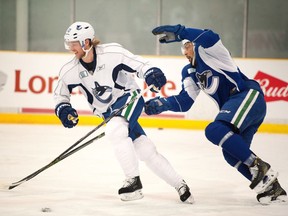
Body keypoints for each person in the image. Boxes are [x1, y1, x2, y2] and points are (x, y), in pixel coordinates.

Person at [144, 24, 287, 205]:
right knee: (231, 154)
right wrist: (161, 104)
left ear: (194, 44)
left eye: (186, 46)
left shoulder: (210, 52)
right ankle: (272, 187)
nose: (185, 52)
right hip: (239, 108)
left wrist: (181, 32)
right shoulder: (189, 71)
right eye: (182, 48)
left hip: (247, 96)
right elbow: (186, 100)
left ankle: (257, 165)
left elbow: (209, 36)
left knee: (214, 130)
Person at [53, 21, 194, 203]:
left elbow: (140, 64)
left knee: (115, 130)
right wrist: (64, 110)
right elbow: (60, 95)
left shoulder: (112, 53)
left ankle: (133, 181)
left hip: (129, 98)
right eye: (69, 44)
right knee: (145, 150)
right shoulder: (70, 70)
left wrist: (151, 73)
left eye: (74, 43)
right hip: (107, 114)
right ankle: (180, 185)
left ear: (86, 43)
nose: (70, 48)